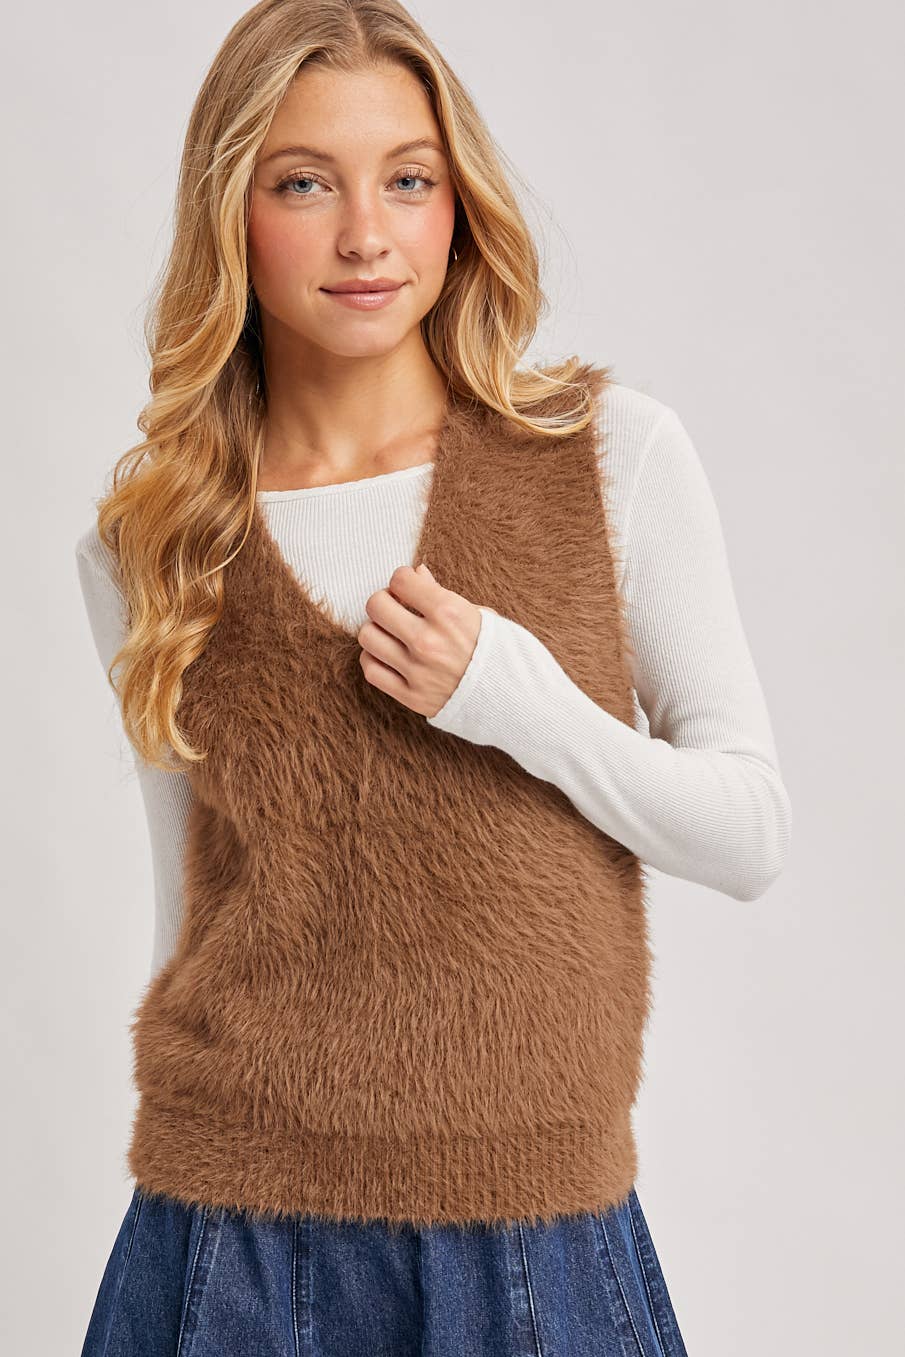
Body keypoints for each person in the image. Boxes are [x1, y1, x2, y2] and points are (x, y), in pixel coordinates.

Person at [75, 1, 791, 1353]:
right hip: (228, 1229)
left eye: (408, 179)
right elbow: (189, 916)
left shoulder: (608, 457)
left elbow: (750, 833)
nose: (367, 234)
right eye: (305, 184)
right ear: (232, 215)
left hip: (531, 1232)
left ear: (458, 206)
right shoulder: (153, 541)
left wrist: (526, 707)